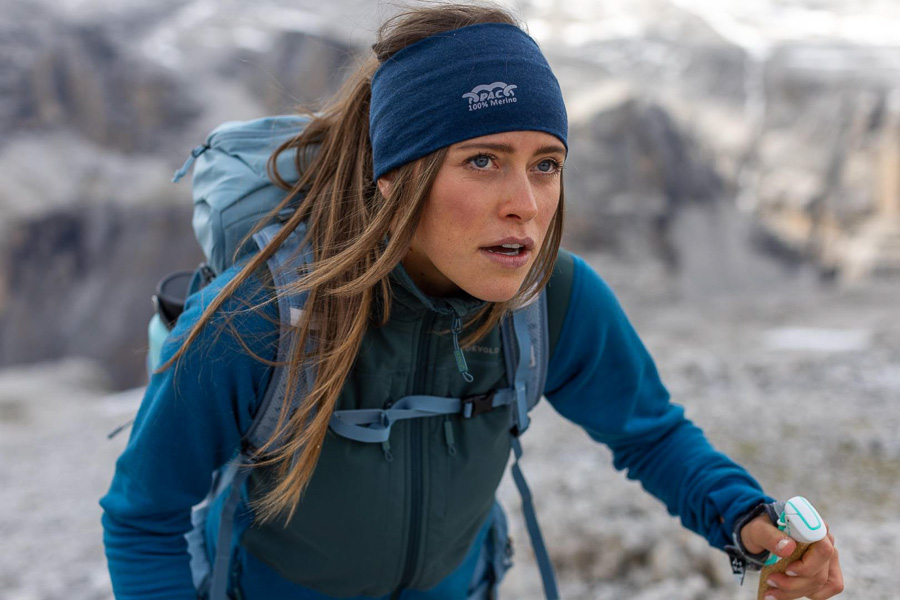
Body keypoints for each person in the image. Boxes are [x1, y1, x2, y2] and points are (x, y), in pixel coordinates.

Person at [100, 4, 844, 600]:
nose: (525, 204)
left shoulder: (550, 296)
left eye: (545, 164)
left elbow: (650, 434)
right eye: (482, 161)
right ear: (396, 177)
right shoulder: (266, 311)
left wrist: (754, 524)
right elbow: (144, 518)